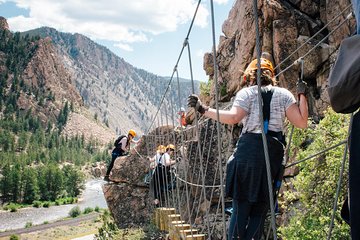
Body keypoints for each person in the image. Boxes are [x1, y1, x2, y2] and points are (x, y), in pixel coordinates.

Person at [188, 56, 308, 239]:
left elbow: (234, 118)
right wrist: (302, 95)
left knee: (240, 209)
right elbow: (301, 122)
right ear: (272, 75)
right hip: (272, 157)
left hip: (248, 155)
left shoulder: (246, 93)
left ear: (249, 77)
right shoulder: (284, 94)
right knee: (260, 211)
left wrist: (203, 109)